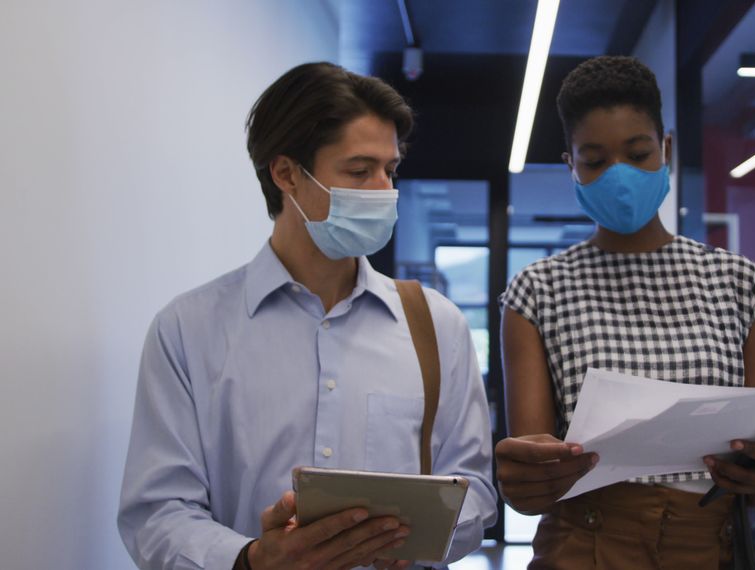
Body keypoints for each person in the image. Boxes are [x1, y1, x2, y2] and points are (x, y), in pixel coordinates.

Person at [118, 62, 497, 570]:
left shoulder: (436, 326)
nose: (383, 189)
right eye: (359, 171)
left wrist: (404, 538)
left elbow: (474, 491)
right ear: (286, 174)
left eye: (390, 170)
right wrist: (252, 558)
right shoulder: (188, 330)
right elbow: (157, 512)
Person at [494, 56, 755, 569]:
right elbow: (534, 488)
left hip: (712, 550)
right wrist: (522, 479)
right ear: (570, 165)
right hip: (583, 550)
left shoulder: (741, 285)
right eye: (594, 160)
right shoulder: (536, 291)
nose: (619, 176)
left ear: (668, 149)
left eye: (638, 154)